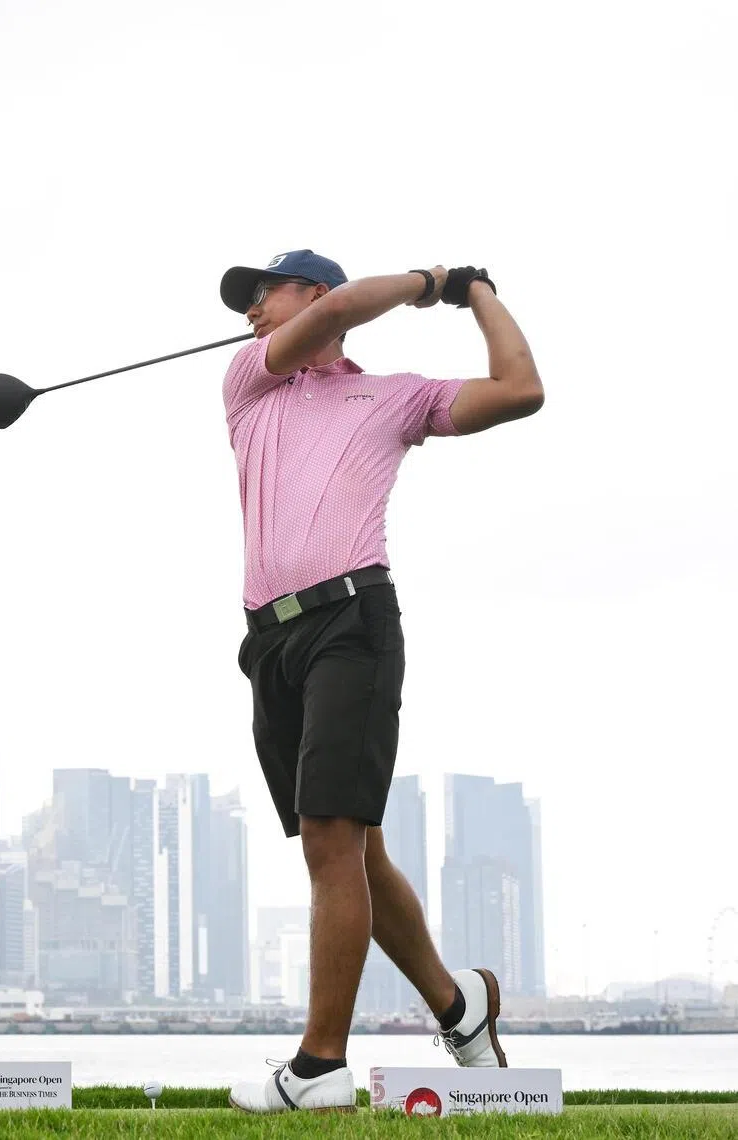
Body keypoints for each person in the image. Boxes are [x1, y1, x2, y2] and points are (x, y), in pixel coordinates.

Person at [220, 250, 544, 1113]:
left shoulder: (392, 396)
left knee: (333, 836)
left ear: (315, 291)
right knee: (354, 847)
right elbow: (333, 318)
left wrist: (474, 295)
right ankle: (459, 1007)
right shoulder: (252, 379)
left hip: (352, 625)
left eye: (266, 293)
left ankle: (319, 1068)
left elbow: (520, 390)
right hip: (270, 643)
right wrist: (426, 284)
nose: (251, 310)